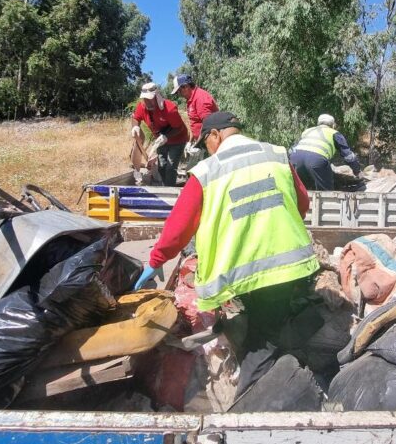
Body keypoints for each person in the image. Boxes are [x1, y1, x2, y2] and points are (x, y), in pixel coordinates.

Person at [133, 111, 319, 398]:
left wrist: (156, 260)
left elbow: (179, 227)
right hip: (289, 266)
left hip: (250, 274)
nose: (206, 150)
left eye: (204, 143)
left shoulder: (208, 172)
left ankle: (249, 407)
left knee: (261, 343)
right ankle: (288, 358)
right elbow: (302, 203)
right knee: (270, 321)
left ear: (215, 135)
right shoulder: (276, 155)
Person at [130, 82, 190, 186]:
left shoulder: (169, 108)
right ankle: (164, 186)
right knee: (162, 166)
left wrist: (166, 136)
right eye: (145, 99)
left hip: (178, 139)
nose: (147, 102)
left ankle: (169, 191)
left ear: (156, 96)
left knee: (171, 167)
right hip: (160, 142)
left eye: (150, 99)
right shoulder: (142, 106)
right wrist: (135, 126)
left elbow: (179, 128)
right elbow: (135, 118)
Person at [289, 114, 361, 191]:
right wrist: (357, 170)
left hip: (295, 158)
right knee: (326, 192)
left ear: (318, 123)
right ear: (333, 125)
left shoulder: (307, 131)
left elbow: (292, 149)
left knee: (300, 189)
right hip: (316, 159)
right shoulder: (334, 133)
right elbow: (348, 156)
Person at [171, 74, 218, 141]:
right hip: (203, 140)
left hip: (210, 140)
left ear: (186, 87)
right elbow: (195, 122)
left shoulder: (199, 98)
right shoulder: (191, 99)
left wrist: (198, 144)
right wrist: (191, 141)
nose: (179, 94)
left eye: (179, 91)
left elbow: (208, 123)